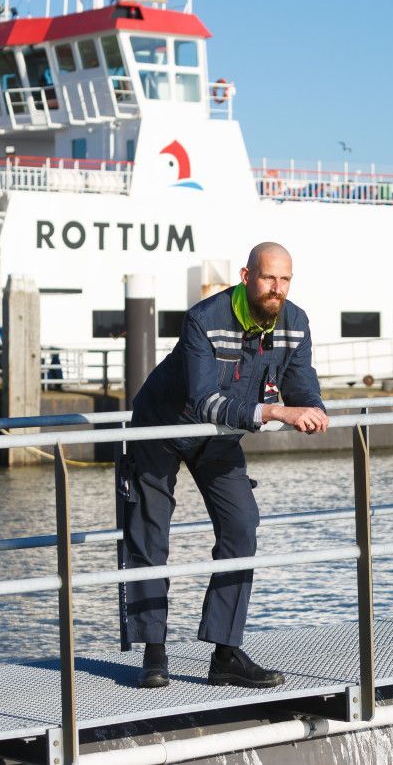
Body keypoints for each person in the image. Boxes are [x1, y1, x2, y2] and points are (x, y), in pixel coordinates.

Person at [120, 242, 330, 689]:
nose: (278, 289)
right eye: (269, 278)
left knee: (241, 525)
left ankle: (225, 653)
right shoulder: (204, 319)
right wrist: (273, 413)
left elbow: (301, 383)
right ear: (246, 275)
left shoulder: (295, 322)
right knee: (148, 536)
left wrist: (313, 409)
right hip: (161, 427)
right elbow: (202, 399)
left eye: (286, 279)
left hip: (217, 437)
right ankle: (154, 653)